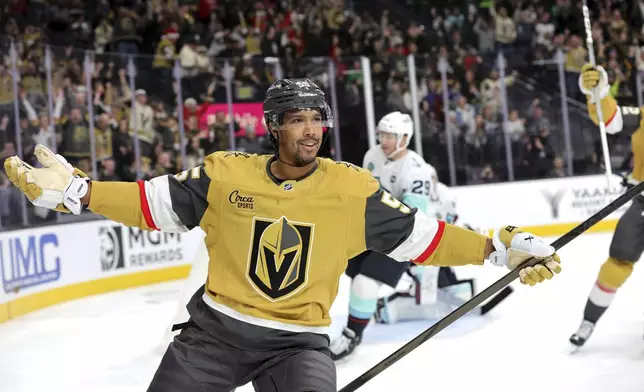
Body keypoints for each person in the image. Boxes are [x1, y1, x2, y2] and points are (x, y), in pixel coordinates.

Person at [4, 78, 562, 392]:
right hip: (213, 337)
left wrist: (495, 249)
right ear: (273, 127)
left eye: (318, 119)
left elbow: (423, 237)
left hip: (297, 344)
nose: (312, 130)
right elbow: (151, 204)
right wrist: (81, 193)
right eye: (298, 119)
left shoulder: (351, 190)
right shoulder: (226, 174)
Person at [329, 112, 458, 360]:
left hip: (402, 238)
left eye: (390, 135)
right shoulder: (372, 156)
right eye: (382, 134)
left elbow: (411, 217)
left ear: (404, 138)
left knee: (363, 284)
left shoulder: (417, 169)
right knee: (347, 273)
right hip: (372, 230)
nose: (383, 140)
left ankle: (351, 335)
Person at [570, 64, 644, 350]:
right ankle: (589, 321)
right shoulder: (642, 117)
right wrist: (597, 91)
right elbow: (611, 120)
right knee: (616, 266)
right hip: (641, 204)